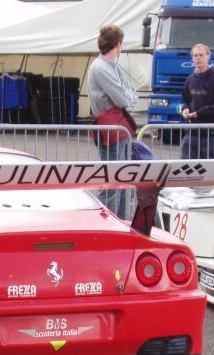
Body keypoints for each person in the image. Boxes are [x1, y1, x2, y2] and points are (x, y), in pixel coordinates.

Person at [87, 25, 139, 220]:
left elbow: (128, 93)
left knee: (123, 180)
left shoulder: (113, 67)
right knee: (112, 180)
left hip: (117, 130)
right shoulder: (101, 68)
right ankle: (108, 221)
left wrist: (127, 97)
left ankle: (123, 221)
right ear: (118, 44)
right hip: (112, 131)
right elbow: (124, 98)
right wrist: (128, 98)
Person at [180, 43, 214, 160]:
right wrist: (185, 109)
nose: (198, 58)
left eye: (201, 55)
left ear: (208, 56)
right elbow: (186, 100)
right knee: (186, 169)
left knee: (213, 171)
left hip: (213, 136)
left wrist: (201, 113)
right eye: (195, 55)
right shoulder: (190, 79)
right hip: (192, 134)